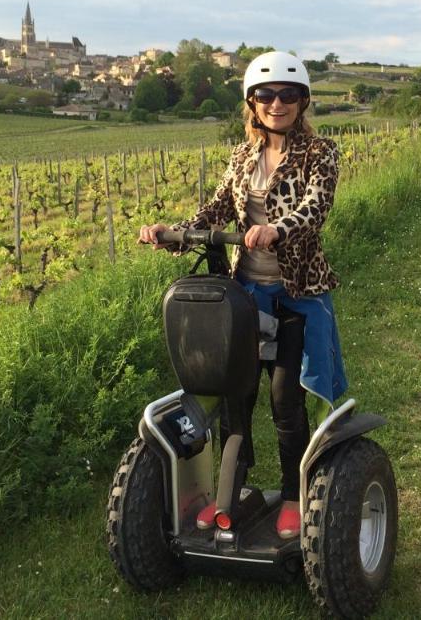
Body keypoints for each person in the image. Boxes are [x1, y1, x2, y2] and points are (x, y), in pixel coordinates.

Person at [138, 50, 347, 541]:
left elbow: (316, 207)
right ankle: (235, 491)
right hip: (246, 295)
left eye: (289, 95)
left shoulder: (322, 153)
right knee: (236, 394)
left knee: (285, 398)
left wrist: (277, 228)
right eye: (267, 95)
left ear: (303, 102)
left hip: (296, 294)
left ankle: (295, 497)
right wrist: (175, 232)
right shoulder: (241, 157)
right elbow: (215, 210)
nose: (278, 104)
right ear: (252, 103)